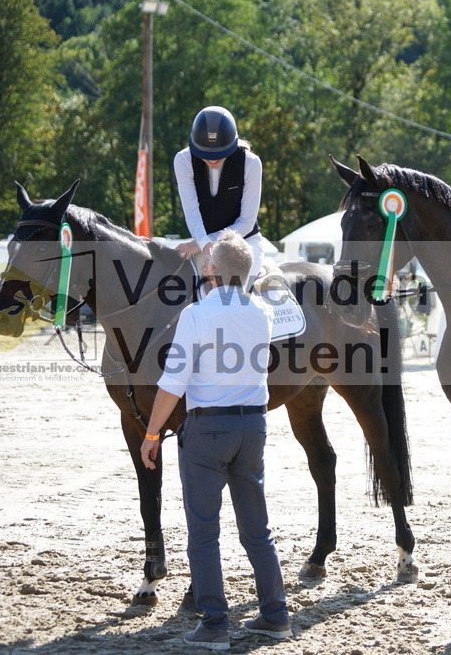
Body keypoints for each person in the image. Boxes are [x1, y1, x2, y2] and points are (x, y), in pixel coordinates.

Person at [139, 230, 290, 650]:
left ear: (210, 269)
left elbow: (173, 383)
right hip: (252, 427)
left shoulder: (195, 314)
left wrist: (152, 432)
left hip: (208, 430)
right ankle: (275, 614)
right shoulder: (263, 312)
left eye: (207, 262)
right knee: (257, 528)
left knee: (203, 532)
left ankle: (215, 623)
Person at [174, 106, 264, 289]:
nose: (213, 159)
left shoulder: (251, 163)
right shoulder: (183, 160)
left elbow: (246, 222)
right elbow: (192, 213)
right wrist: (206, 247)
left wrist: (206, 247)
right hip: (202, 240)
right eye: (206, 154)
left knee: (234, 292)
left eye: (219, 154)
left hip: (243, 243)